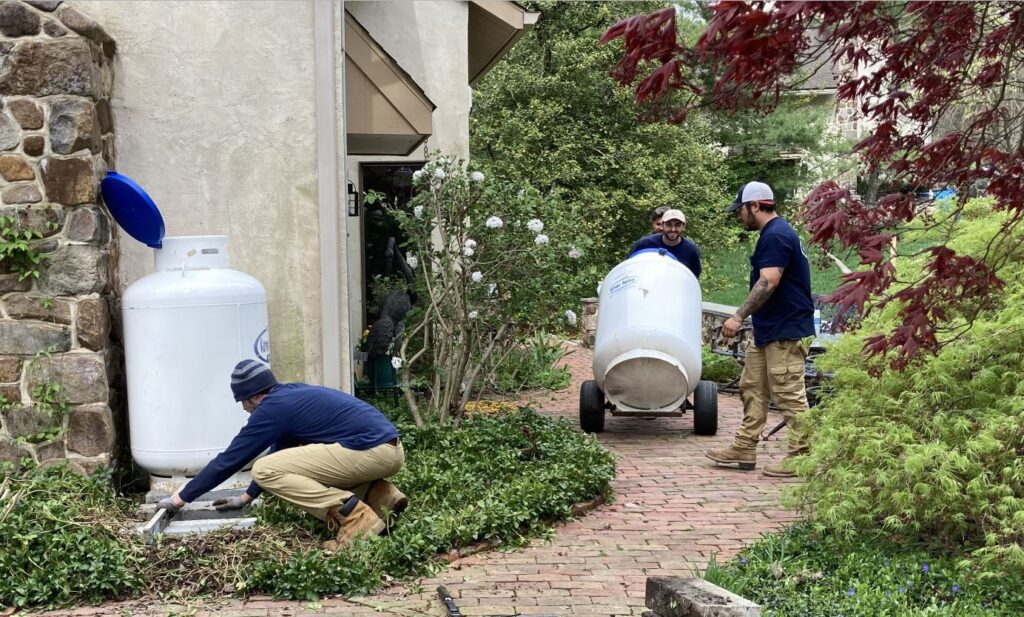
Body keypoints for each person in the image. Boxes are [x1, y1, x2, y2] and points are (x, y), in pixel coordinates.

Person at [156, 359, 407, 550]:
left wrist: (181, 498)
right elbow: (282, 447)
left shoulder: (271, 409)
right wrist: (247, 496)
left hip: (370, 452)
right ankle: (381, 496)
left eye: (242, 402)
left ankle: (355, 518)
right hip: (389, 451)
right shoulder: (289, 395)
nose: (245, 410)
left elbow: (230, 460)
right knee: (290, 466)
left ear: (253, 396)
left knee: (263, 469)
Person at [705, 181, 815, 478]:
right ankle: (745, 446)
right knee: (752, 386)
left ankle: (802, 455)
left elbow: (768, 281)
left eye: (740, 209)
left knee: (789, 394)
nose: (739, 216)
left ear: (754, 206)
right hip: (768, 328)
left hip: (785, 330)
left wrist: (738, 316)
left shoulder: (777, 234)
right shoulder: (774, 233)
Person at [629, 208, 702, 278]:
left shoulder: (692, 250)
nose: (673, 229)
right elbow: (629, 267)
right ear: (663, 225)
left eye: (678, 225)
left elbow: (693, 278)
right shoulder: (645, 244)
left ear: (684, 226)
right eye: (668, 224)